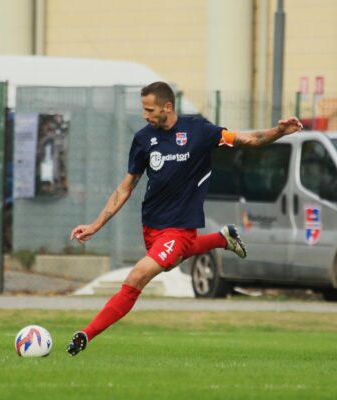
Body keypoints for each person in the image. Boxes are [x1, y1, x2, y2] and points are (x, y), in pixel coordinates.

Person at [66, 81, 302, 356]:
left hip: (179, 228)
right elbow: (126, 187)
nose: (145, 115)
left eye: (149, 109)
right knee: (169, 262)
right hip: (152, 226)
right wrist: (95, 225)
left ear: (167, 107)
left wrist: (278, 131)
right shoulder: (144, 139)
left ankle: (86, 334)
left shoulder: (199, 131)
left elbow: (246, 140)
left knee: (137, 277)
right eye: (143, 109)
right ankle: (222, 239)